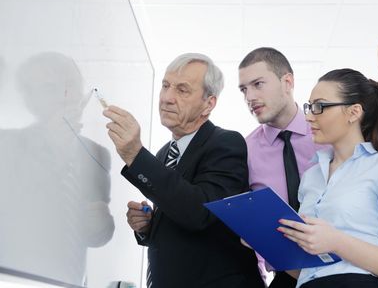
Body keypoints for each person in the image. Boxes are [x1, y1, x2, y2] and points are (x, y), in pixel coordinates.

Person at [103, 53, 264, 288]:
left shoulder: (226, 143)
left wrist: (135, 155)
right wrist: (147, 227)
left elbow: (199, 214)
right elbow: (176, 213)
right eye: (165, 86)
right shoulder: (163, 154)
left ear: (209, 104)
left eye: (182, 90)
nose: (167, 98)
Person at [277, 68, 378, 288]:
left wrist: (336, 241)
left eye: (319, 106)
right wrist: (265, 243)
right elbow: (304, 270)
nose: (308, 116)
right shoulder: (311, 177)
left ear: (354, 112)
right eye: (309, 107)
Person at [0, 52, 114, 286]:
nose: (67, 96)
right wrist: (52, 150)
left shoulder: (97, 153)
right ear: (31, 101)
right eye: (51, 88)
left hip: (71, 281)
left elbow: (93, 235)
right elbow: (11, 210)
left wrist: (102, 226)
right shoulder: (7, 146)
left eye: (71, 85)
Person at [238, 47, 321, 288]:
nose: (249, 97)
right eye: (244, 89)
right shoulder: (245, 150)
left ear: (287, 82)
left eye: (258, 84)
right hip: (287, 275)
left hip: (343, 268)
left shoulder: (326, 134)